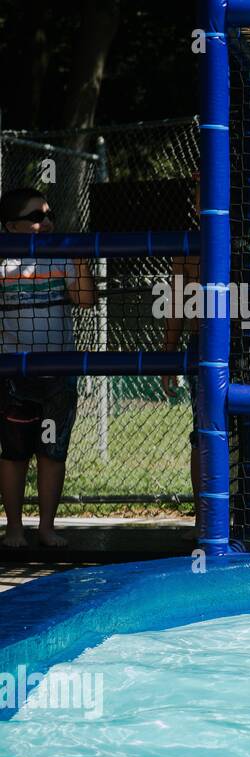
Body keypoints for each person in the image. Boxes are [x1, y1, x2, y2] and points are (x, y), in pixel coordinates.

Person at [160, 177, 250, 525]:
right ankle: (207, 522)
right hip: (204, 347)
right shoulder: (188, 246)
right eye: (200, 194)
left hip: (248, 346)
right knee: (204, 433)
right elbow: (176, 306)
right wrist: (168, 357)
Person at [0, 188, 96, 548]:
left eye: (49, 214)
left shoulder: (61, 256)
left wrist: (82, 259)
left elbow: (86, 300)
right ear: (11, 227)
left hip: (57, 375)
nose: (47, 222)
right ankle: (13, 529)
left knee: (52, 453)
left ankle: (46, 527)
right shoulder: (4, 263)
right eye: (36, 217)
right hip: (14, 377)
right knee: (14, 454)